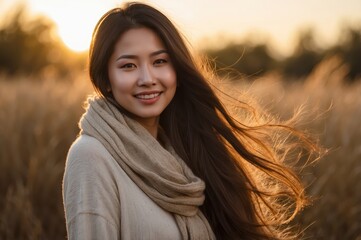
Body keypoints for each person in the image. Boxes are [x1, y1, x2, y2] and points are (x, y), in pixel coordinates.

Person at [63, 2, 317, 239]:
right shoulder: (91, 157)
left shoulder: (181, 150)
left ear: (177, 70)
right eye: (128, 66)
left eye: (160, 61)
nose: (147, 78)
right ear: (105, 79)